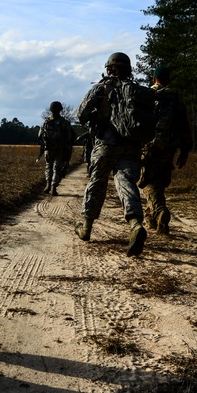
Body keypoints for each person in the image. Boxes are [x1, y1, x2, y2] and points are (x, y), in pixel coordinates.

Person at [74, 52, 148, 257]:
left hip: (105, 144)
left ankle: (86, 228)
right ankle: (135, 225)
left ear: (108, 68)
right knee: (126, 183)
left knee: (97, 182)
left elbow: (80, 115)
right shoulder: (136, 90)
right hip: (132, 146)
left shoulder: (101, 88)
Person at [139, 65, 193, 235]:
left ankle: (160, 211)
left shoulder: (147, 97)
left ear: (154, 79)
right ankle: (154, 222)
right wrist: (184, 152)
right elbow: (185, 128)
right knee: (160, 182)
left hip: (148, 148)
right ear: (168, 80)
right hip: (169, 149)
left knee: (147, 182)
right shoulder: (176, 100)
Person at [38, 101, 76, 196]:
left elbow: (39, 135)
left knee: (48, 166)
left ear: (51, 110)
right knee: (57, 168)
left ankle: (47, 185)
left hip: (48, 148)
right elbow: (69, 136)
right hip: (60, 149)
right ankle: (54, 187)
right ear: (60, 110)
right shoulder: (64, 122)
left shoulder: (46, 121)